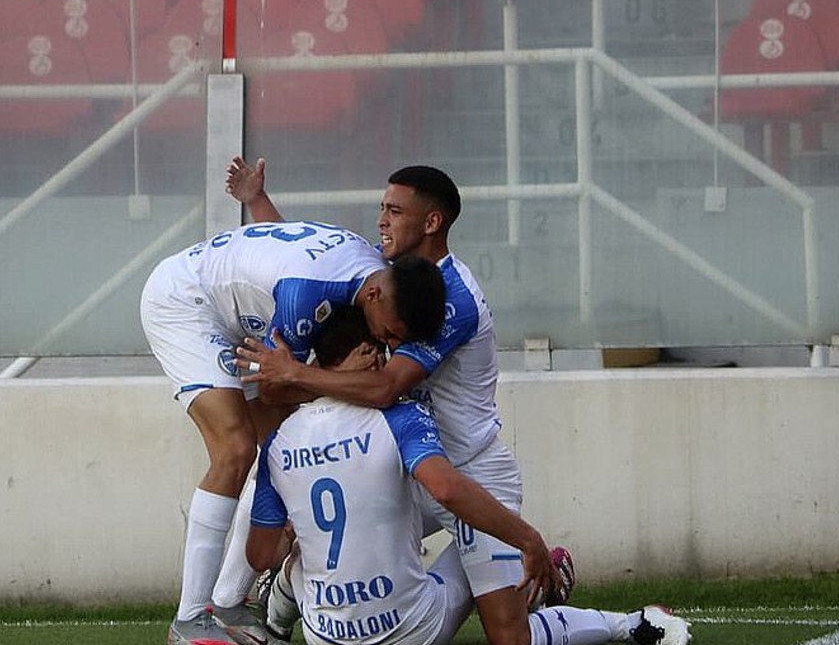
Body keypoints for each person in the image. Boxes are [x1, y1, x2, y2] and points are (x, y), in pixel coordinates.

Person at [225, 157, 599, 645]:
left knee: (510, 637)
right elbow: (307, 265)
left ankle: (617, 617)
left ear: (431, 222)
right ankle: (267, 605)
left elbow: (385, 388)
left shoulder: (451, 299)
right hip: (404, 466)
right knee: (305, 509)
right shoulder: (388, 280)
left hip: (468, 471)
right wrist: (257, 202)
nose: (382, 219)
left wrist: (294, 374)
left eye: (395, 211)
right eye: (383, 207)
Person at [247, 307, 691, 645]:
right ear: (362, 355)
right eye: (378, 350)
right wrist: (527, 540)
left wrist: (295, 538)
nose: (386, 362)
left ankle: (277, 617)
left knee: (304, 552)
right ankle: (629, 622)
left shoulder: (278, 442)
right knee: (488, 555)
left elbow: (260, 553)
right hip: (411, 630)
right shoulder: (399, 417)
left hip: (327, 637)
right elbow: (446, 487)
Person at [140, 219, 448, 645]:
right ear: (375, 294)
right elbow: (273, 387)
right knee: (236, 448)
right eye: (389, 333)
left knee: (277, 450)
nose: (386, 345)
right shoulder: (304, 297)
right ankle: (190, 620)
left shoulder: (371, 275)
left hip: (231, 306)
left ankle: (228, 601)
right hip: (185, 302)